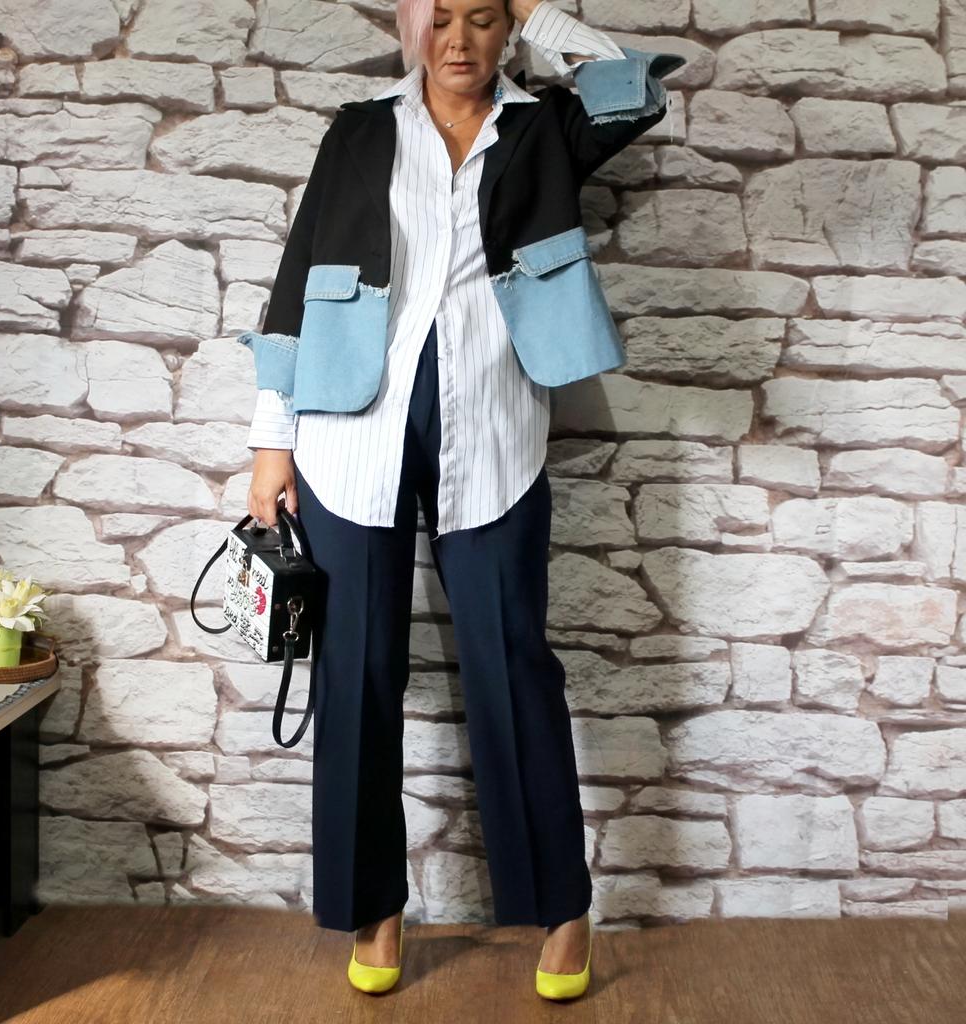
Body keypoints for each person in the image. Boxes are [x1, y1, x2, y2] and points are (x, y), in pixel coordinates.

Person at [242, 0, 684, 1001]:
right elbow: (295, 281)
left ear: (506, 30)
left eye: (483, 18)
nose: (458, 39)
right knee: (356, 672)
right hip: (352, 425)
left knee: (512, 665)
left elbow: (631, 86)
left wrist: (535, 11)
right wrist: (271, 445)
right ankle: (375, 904)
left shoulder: (543, 127)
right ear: (412, 26)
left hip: (492, 418)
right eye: (439, 17)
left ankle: (562, 905)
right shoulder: (360, 131)